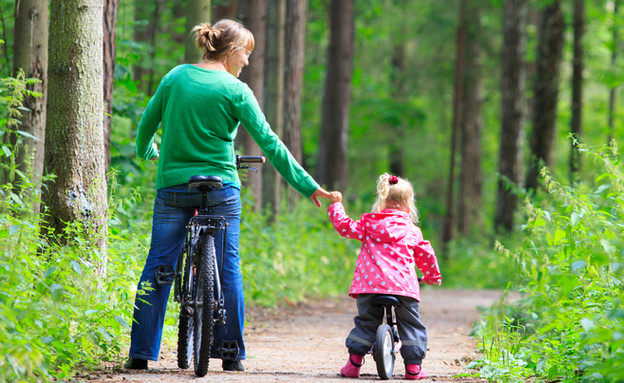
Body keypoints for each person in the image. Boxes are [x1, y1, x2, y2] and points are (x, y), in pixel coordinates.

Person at [125, 19, 332, 372]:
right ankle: (231, 354)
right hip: (222, 187)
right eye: (246, 54)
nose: (248, 62)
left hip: (174, 186)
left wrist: (147, 151)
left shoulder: (175, 77)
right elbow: (270, 142)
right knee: (227, 267)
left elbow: (147, 123)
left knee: (159, 266)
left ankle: (140, 354)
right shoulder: (236, 90)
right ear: (232, 51)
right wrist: (307, 185)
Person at [327, 174, 441, 380]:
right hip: (403, 288)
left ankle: (353, 365)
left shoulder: (368, 224)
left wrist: (337, 206)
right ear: (409, 205)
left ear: (381, 201)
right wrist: (431, 276)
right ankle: (413, 369)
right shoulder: (412, 230)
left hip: (369, 287)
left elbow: (344, 227)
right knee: (411, 324)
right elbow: (426, 254)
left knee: (366, 321)